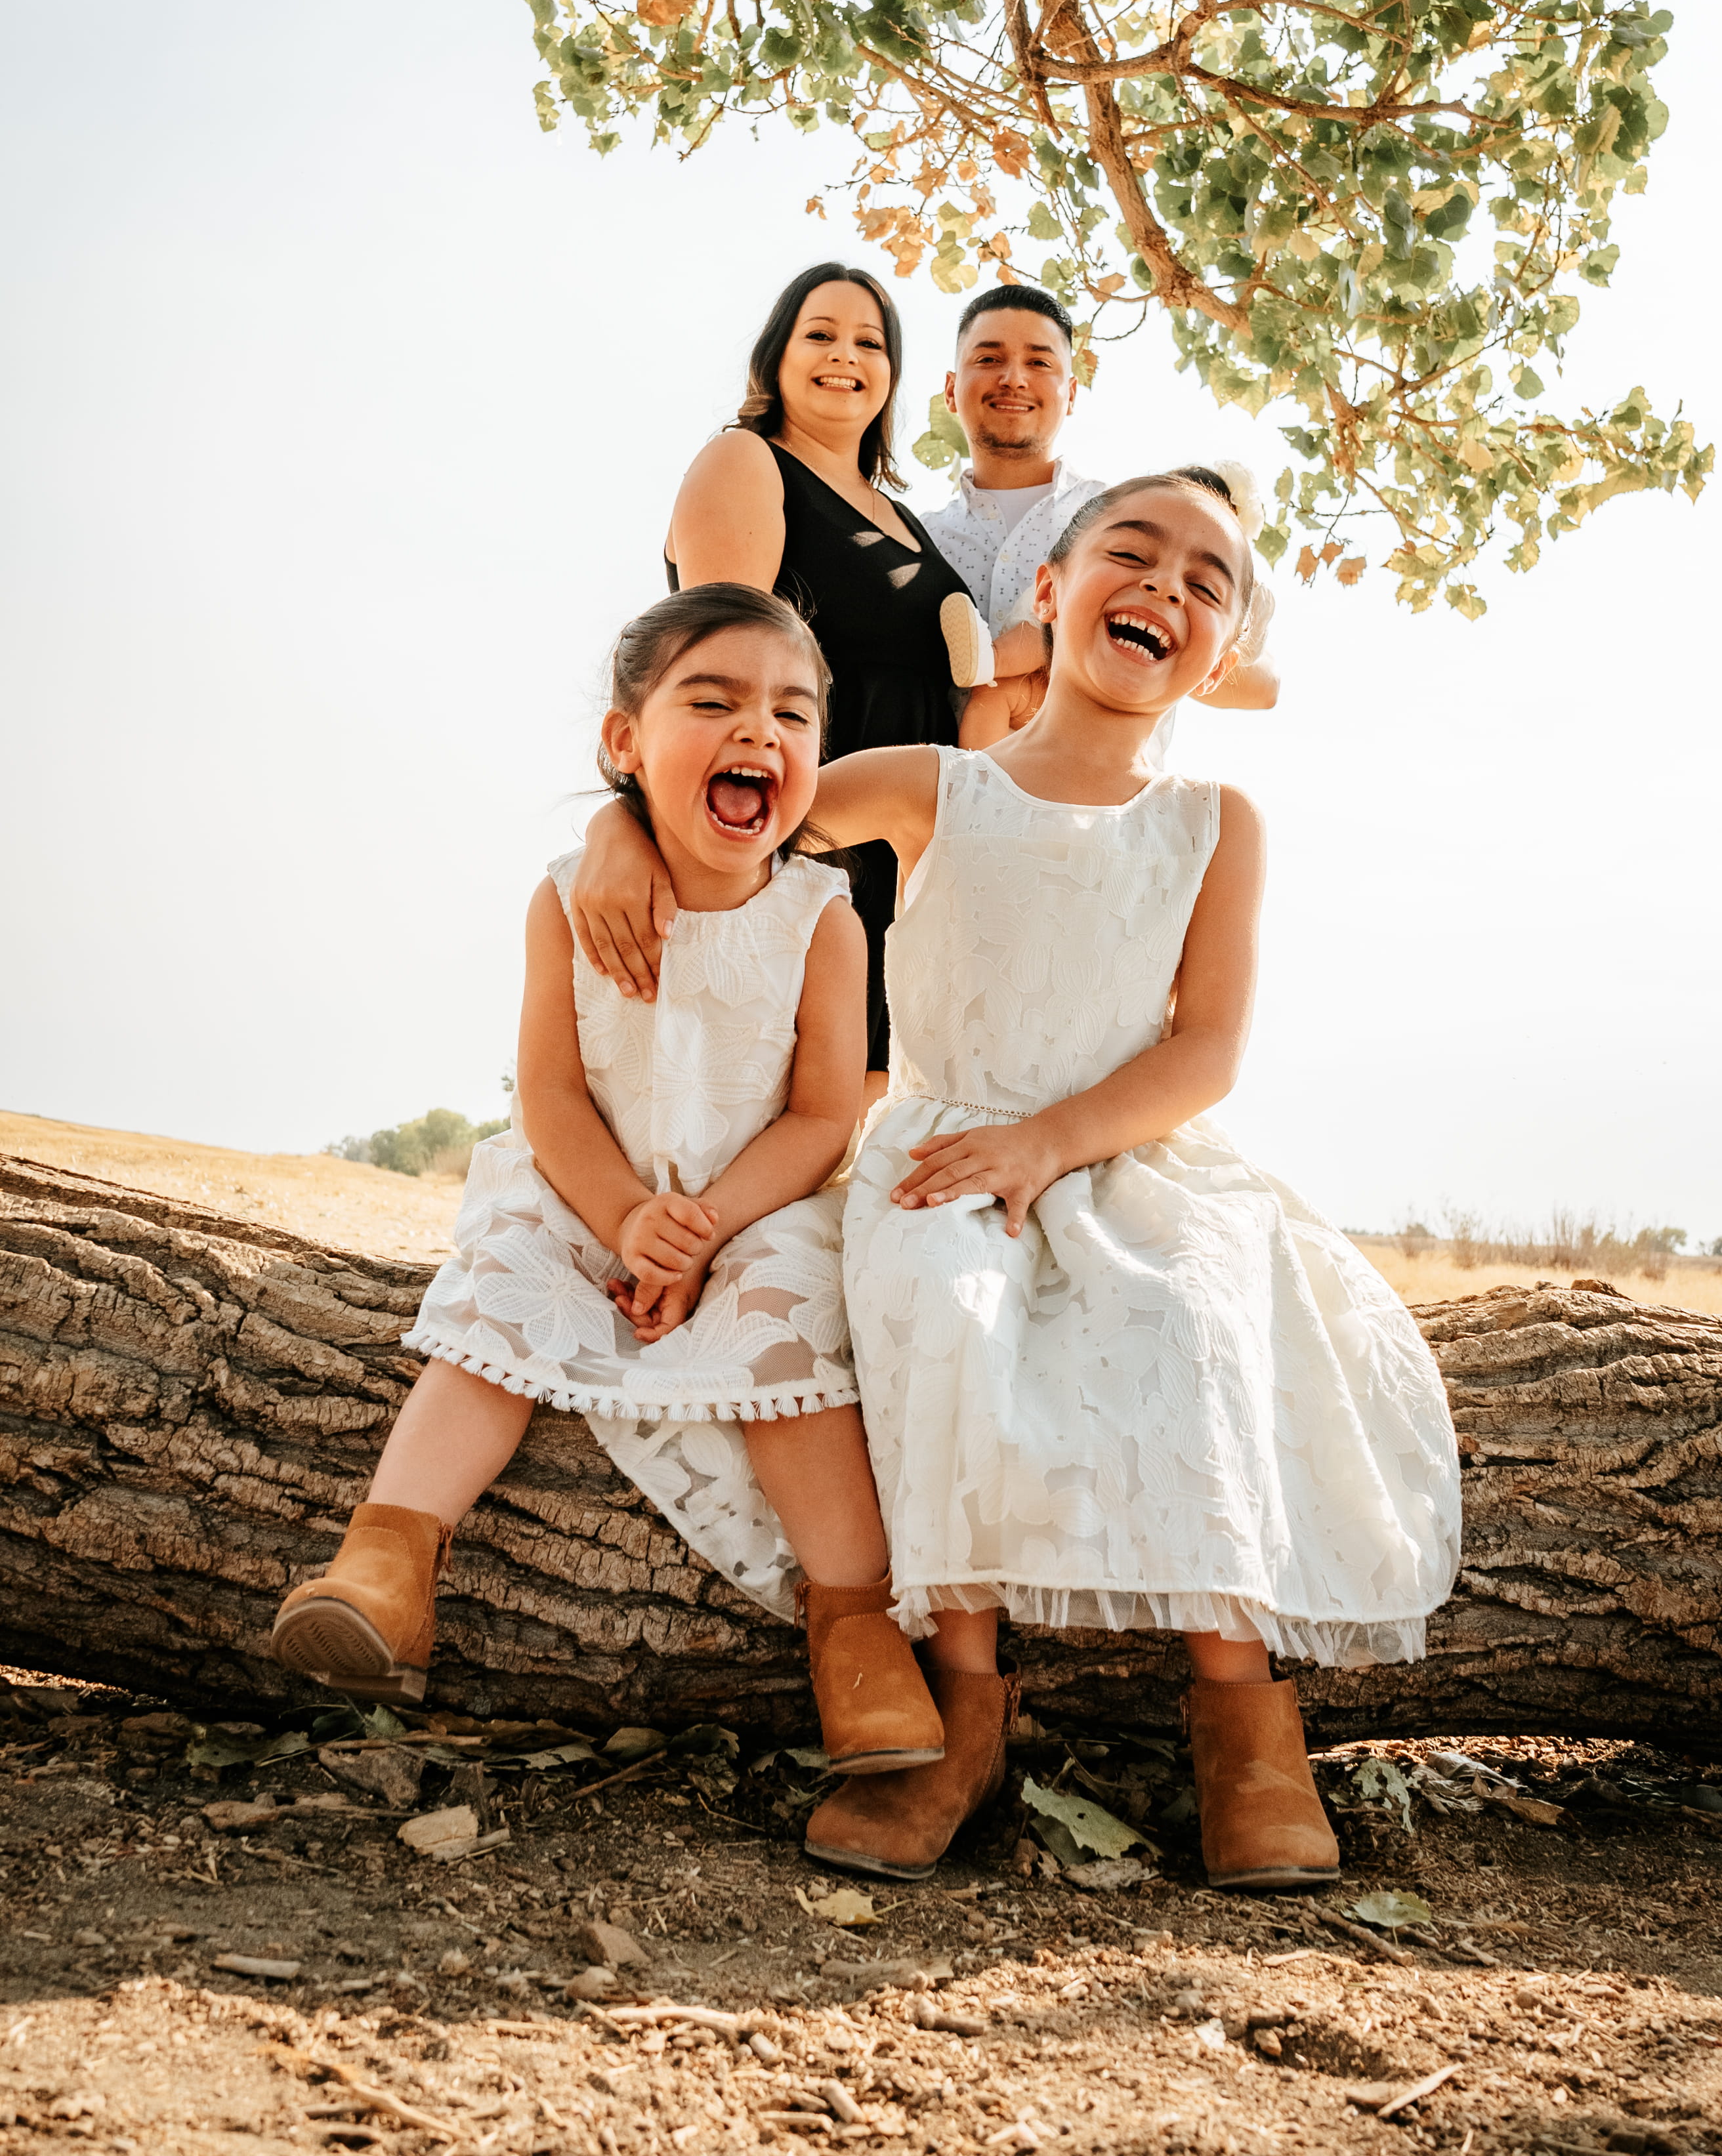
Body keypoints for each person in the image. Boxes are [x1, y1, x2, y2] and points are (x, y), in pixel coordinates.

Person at [581, 469, 1460, 1888]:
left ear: (1221, 651)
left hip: (1131, 1158)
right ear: (1045, 594)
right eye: (1129, 552)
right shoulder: (940, 784)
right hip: (943, 1145)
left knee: (1192, 1324)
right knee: (946, 1312)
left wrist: (1054, 1146)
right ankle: (960, 1716)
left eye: (1204, 580)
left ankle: (1247, 1727)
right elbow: (746, 804)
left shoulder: (1213, 823)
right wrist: (621, 827)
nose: (1163, 587)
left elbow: (1210, 1049)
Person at [270, 583, 946, 1783]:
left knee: (792, 1331)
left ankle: (856, 1628)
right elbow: (550, 1094)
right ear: (623, 744)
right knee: (497, 1300)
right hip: (582, 1188)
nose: (760, 734)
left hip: (754, 1203)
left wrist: (702, 1228)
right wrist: (627, 1217)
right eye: (713, 701)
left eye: (793, 713)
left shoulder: (819, 918)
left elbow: (823, 1116)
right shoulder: (564, 898)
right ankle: (388, 1557)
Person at [572, 262, 976, 1094]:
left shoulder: (902, 517)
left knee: (868, 1106)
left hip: (898, 853)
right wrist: (623, 817)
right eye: (819, 334)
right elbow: (713, 670)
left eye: (869, 342)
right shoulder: (746, 461)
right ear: (775, 357)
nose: (844, 355)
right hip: (794, 831)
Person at [921, 285, 1281, 749]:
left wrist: (1114, 656)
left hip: (1101, 810)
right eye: (989, 360)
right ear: (951, 390)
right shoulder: (915, 541)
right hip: (946, 810)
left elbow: (1264, 684)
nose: (1014, 378)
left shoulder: (1136, 525)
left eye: (1039, 362)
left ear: (1071, 393)